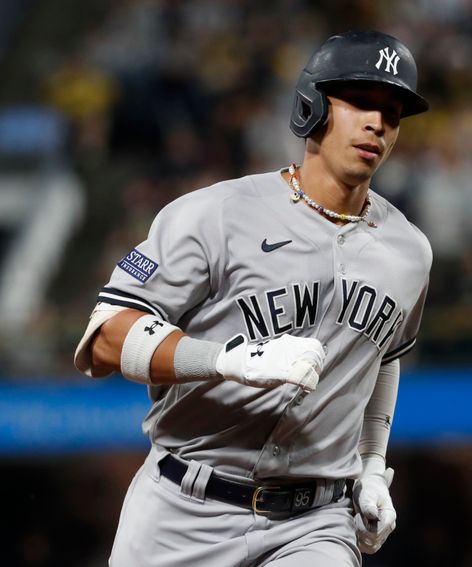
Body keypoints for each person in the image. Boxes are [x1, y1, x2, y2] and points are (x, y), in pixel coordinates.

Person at [74, 30, 431, 567]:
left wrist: (372, 464)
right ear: (311, 106)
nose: (376, 123)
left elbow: (381, 358)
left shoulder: (409, 251)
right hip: (182, 509)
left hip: (314, 524)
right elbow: (105, 338)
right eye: (359, 102)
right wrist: (223, 360)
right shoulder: (215, 214)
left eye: (392, 112)